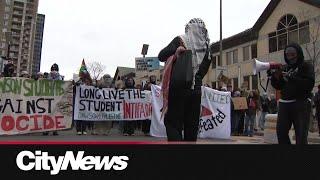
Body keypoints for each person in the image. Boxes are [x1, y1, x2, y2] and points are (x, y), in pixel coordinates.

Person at [158, 18, 211, 141]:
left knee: (173, 123)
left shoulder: (181, 40)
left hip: (178, 88)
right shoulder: (207, 47)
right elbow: (202, 71)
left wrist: (175, 55)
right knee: (191, 125)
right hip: (196, 91)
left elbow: (161, 56)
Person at [270, 43, 315, 144]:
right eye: (287, 54)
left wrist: (291, 77)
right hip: (284, 104)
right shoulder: (285, 68)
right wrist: (275, 78)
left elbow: (309, 84)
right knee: (281, 132)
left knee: (301, 135)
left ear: (298, 53)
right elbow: (279, 86)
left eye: (292, 54)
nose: (290, 57)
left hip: (301, 103)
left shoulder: (306, 66)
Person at [43, 63, 63, 136]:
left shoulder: (60, 77)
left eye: (55, 69)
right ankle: (46, 130)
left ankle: (55, 130)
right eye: (53, 69)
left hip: (56, 98)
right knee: (47, 114)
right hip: (48, 98)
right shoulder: (48, 76)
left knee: (55, 114)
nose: (54, 71)